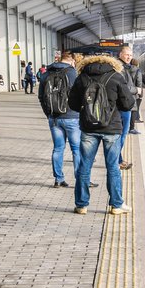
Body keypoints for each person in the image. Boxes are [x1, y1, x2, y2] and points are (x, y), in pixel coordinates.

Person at [68, 52, 135, 215]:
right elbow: (128, 104)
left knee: (85, 165)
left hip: (88, 128)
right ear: (111, 63)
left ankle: (81, 205)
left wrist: (88, 110)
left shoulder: (82, 77)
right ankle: (116, 205)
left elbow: (73, 104)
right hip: (111, 128)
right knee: (112, 166)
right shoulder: (115, 76)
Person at [39, 51, 88, 189]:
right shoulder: (73, 73)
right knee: (77, 149)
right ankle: (80, 179)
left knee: (58, 148)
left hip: (54, 118)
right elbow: (81, 95)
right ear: (72, 60)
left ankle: (58, 179)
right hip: (72, 117)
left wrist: (48, 113)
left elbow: (41, 97)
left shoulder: (46, 73)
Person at [116, 47, 139, 167]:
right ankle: (117, 161)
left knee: (120, 135)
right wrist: (136, 90)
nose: (129, 57)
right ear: (120, 54)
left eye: (130, 55)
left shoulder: (124, 67)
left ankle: (118, 160)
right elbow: (123, 87)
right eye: (126, 55)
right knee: (121, 135)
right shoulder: (121, 68)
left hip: (123, 105)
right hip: (123, 106)